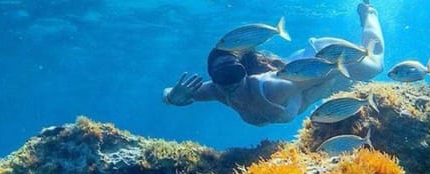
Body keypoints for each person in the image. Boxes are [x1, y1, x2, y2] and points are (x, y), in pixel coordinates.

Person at [162, 2, 384, 126]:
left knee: (374, 66)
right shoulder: (219, 89)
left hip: (321, 55)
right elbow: (167, 93)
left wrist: (339, 68)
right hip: (308, 77)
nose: (231, 93)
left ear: (246, 76)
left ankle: (368, 12)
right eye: (222, 83)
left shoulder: (274, 88)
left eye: (235, 82)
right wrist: (173, 98)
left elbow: (331, 70)